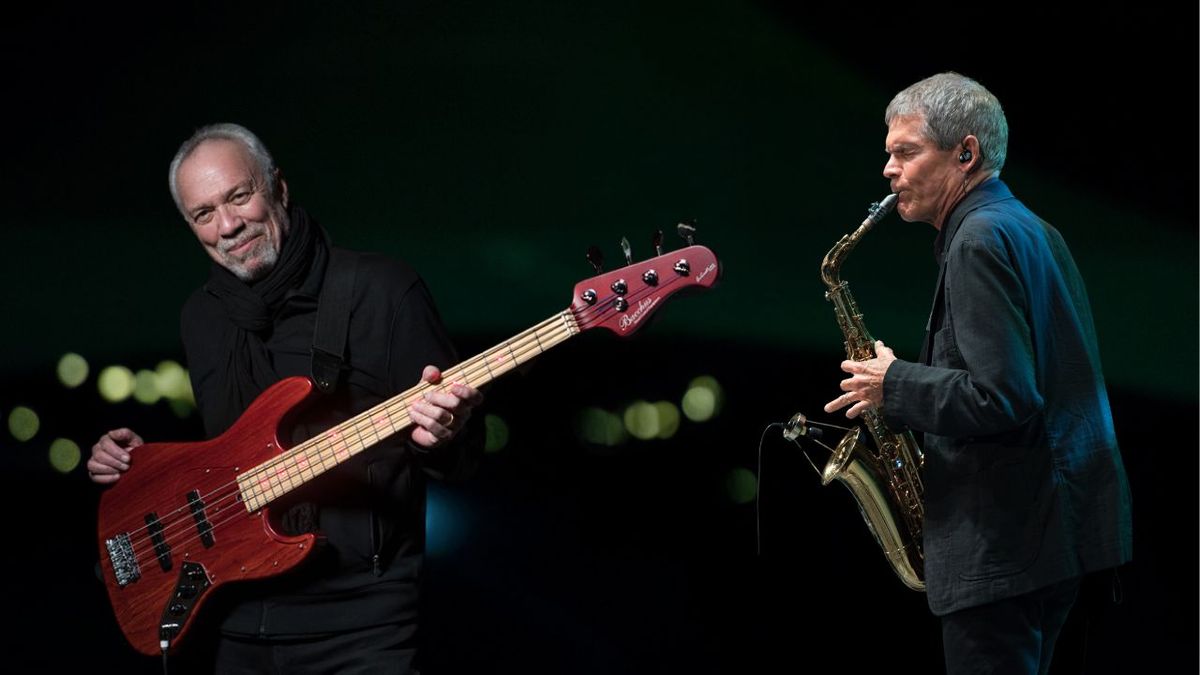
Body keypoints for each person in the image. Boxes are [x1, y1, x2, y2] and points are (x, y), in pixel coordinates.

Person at [87, 123, 483, 672]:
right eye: (204, 214)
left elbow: (465, 458)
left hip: (363, 626)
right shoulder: (200, 319)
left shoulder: (383, 292)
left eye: (239, 196)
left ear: (278, 187)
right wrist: (139, 464)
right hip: (233, 620)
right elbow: (218, 460)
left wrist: (443, 436)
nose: (228, 226)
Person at [823, 73, 1132, 674]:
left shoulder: (978, 241)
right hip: (1059, 541)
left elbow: (1004, 393)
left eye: (905, 152)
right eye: (889, 153)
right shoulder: (1033, 229)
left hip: (1008, 549)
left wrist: (894, 386)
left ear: (965, 153)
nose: (888, 169)